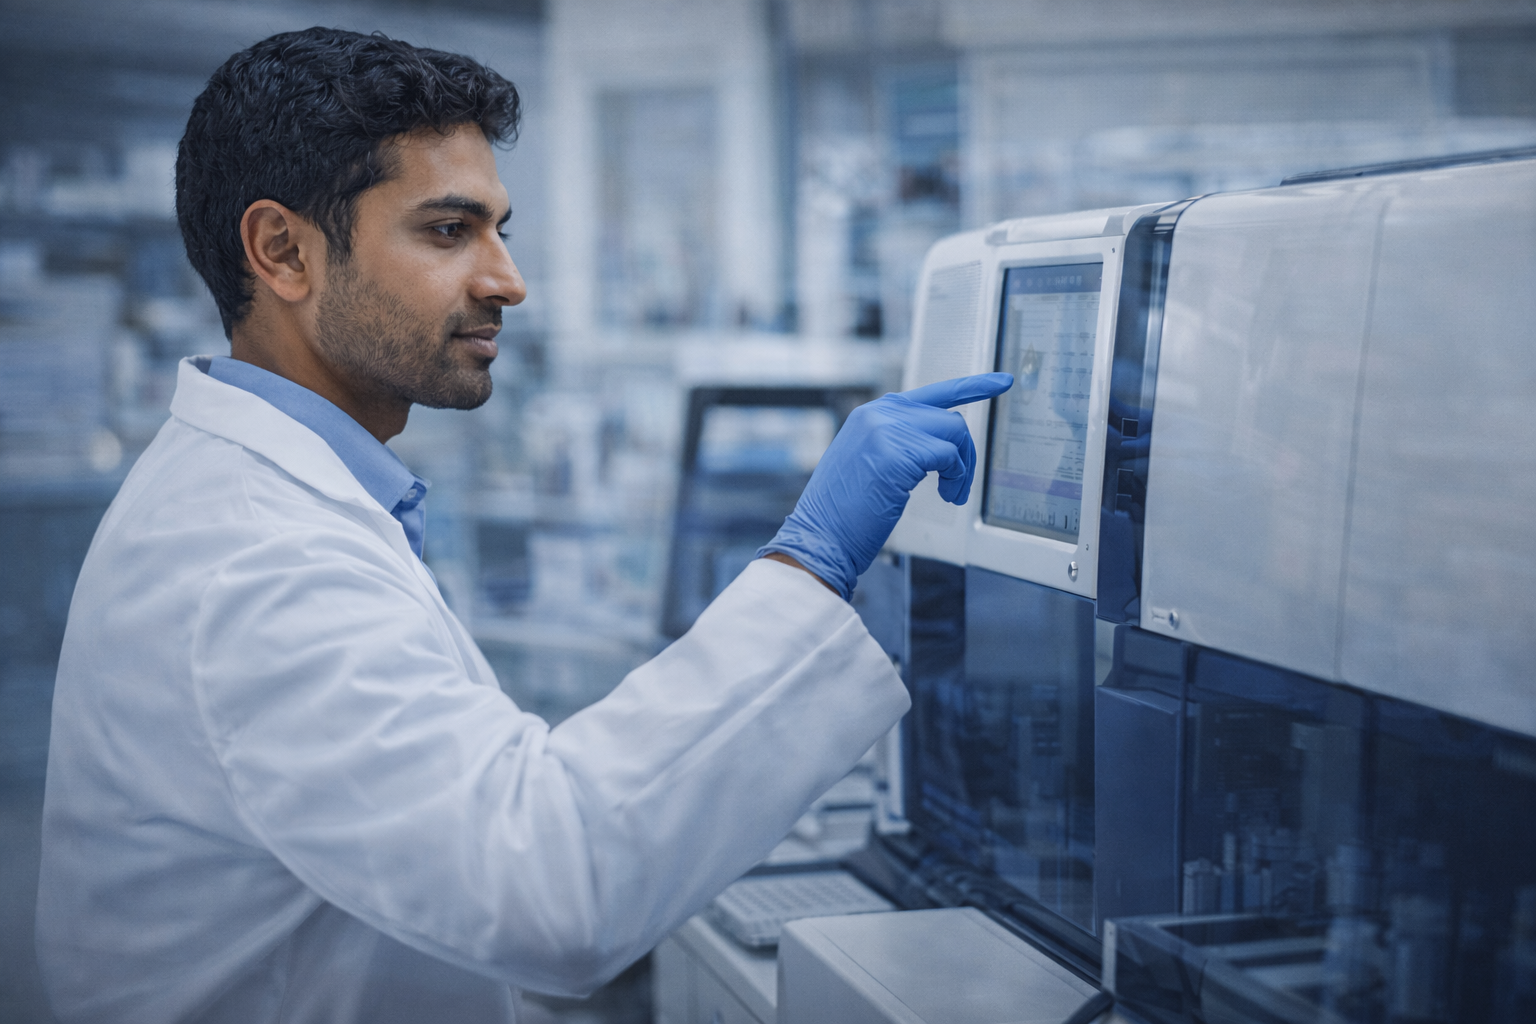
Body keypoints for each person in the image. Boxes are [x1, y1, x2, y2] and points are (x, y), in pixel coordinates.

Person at [35, 27, 1010, 1023]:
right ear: (284, 251)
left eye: (500, 228)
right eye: (449, 231)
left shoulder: (284, 499)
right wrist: (811, 562)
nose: (508, 280)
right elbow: (550, 882)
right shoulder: (254, 557)